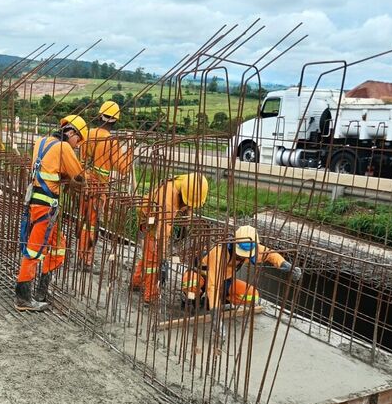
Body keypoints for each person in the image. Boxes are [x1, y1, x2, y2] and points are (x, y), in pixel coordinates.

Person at [15, 115, 88, 311]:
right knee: (34, 251)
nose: (77, 146)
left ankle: (41, 290)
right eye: (78, 141)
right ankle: (23, 298)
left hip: (37, 203)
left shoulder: (41, 142)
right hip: (45, 206)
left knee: (58, 245)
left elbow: (51, 169)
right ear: (72, 133)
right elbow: (79, 177)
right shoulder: (64, 148)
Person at [181, 225, 302, 310]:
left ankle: (213, 302)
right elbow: (212, 286)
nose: (242, 257)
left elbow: (270, 255)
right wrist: (215, 316)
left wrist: (287, 266)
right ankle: (191, 300)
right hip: (203, 276)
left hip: (224, 281)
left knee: (252, 296)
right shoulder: (219, 253)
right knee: (191, 283)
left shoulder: (251, 247)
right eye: (240, 253)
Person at [131, 173, 209, 303]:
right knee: (154, 258)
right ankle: (151, 294)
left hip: (161, 217)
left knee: (149, 254)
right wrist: (163, 254)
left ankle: (137, 281)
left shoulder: (188, 183)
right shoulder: (168, 198)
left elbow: (189, 204)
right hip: (150, 218)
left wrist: (188, 218)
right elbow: (163, 229)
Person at [77, 100, 133, 270]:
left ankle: (81, 255)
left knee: (83, 220)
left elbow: (81, 159)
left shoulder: (88, 134)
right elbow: (124, 168)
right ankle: (86, 260)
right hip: (98, 188)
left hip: (84, 184)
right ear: (115, 120)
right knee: (92, 224)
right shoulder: (112, 141)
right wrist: (130, 149)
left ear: (100, 116)